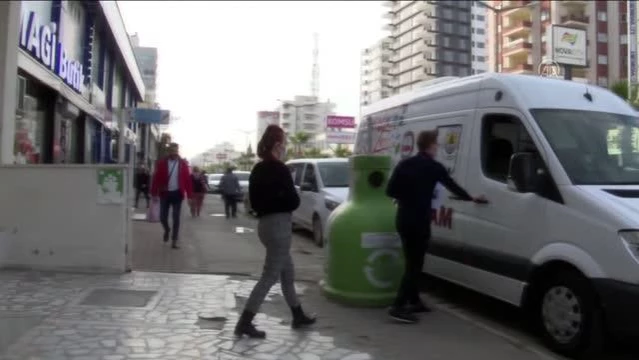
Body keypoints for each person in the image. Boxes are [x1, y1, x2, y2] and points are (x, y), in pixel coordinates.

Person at [385, 130, 486, 324]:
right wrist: (472, 198)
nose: (438, 147)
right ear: (430, 145)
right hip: (420, 221)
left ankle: (414, 300)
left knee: (411, 261)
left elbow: (390, 191)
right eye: (436, 144)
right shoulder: (434, 167)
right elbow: (452, 186)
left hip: (403, 219)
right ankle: (398, 307)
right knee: (415, 265)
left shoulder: (404, 164)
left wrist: (407, 196)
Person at [234, 124, 316, 339]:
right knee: (270, 276)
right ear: (278, 144)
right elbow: (293, 200)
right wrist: (286, 197)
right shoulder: (280, 169)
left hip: (265, 226)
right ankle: (245, 321)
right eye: (285, 143)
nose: (286, 147)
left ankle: (298, 314)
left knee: (287, 273)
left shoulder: (258, 169)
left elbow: (253, 201)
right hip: (279, 226)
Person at [150, 143, 193, 249]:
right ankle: (167, 230)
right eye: (172, 151)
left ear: (178, 151)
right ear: (169, 152)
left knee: (176, 217)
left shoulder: (183, 164)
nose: (174, 153)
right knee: (162, 217)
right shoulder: (162, 163)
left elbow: (187, 180)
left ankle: (174, 240)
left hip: (177, 194)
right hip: (165, 193)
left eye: (176, 151)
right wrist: (154, 193)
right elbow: (156, 178)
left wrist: (190, 196)